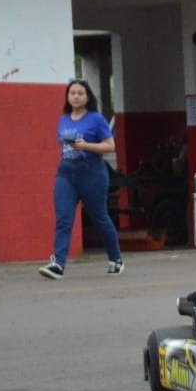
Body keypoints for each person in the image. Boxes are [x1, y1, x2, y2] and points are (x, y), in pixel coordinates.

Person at [39, 79, 123, 279]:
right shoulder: (63, 120)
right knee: (64, 218)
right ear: (67, 97)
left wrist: (85, 146)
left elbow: (110, 145)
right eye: (72, 93)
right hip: (66, 173)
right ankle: (58, 264)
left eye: (80, 93)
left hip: (92, 172)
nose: (75, 97)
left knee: (99, 217)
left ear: (87, 97)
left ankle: (115, 259)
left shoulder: (96, 119)